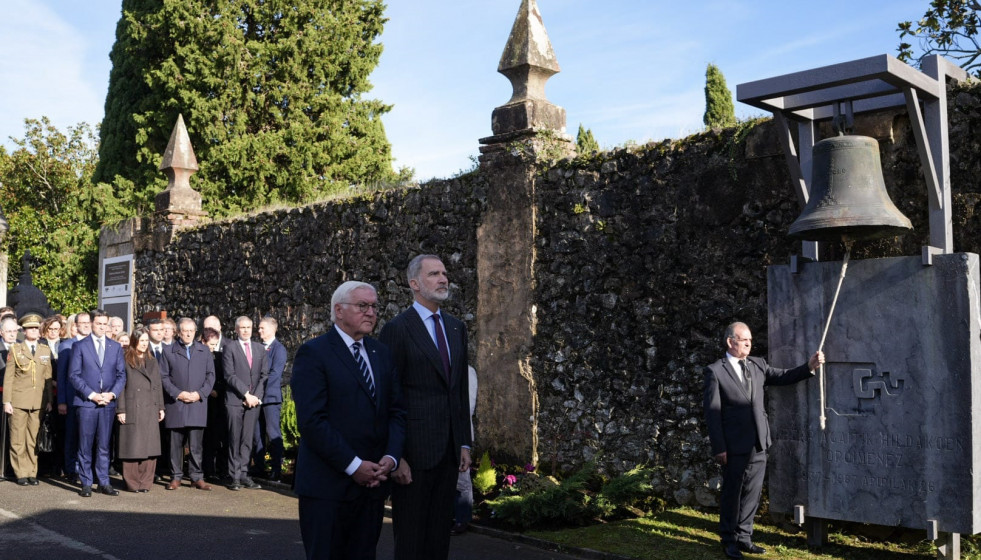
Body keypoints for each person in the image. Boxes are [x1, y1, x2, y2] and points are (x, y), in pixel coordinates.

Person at [292, 280, 406, 559]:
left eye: (374, 306)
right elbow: (312, 421)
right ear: (339, 310)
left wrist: (391, 457)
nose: (371, 312)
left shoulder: (381, 354)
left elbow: (396, 412)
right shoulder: (314, 353)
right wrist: (354, 465)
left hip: (372, 488)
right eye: (362, 305)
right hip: (327, 489)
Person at [703, 321, 824, 559]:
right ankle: (728, 540)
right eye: (744, 340)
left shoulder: (758, 364)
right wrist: (719, 447)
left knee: (753, 493)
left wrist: (809, 367)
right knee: (732, 494)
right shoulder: (715, 371)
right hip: (733, 445)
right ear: (730, 342)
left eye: (750, 340)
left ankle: (744, 537)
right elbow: (712, 413)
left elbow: (783, 376)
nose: (749, 343)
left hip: (759, 442)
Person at [379, 255, 472, 560]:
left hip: (449, 454)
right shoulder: (397, 329)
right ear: (415, 284)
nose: (443, 279)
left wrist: (464, 442)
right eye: (434, 274)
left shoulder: (456, 328)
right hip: (414, 455)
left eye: (444, 273)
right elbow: (387, 396)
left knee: (438, 540)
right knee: (410, 540)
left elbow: (458, 390)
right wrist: (396, 456)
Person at [69, 309, 126, 497]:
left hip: (107, 403)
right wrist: (92, 395)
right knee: (85, 445)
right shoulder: (80, 346)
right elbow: (74, 375)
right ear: (91, 324)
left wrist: (112, 394)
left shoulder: (115, 347)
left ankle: (104, 482)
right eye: (99, 323)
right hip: (87, 403)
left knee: (104, 445)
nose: (102, 327)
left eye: (104, 324)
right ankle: (86, 482)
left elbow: (121, 375)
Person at [159, 317, 216, 491]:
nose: (189, 334)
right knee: (175, 444)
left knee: (196, 445)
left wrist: (200, 394)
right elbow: (163, 377)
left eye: (191, 331)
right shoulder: (168, 351)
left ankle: (196, 477)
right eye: (185, 331)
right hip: (176, 403)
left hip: (198, 403)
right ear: (179, 332)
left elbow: (211, 376)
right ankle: (176, 476)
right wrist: (178, 393)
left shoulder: (204, 351)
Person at [2, 313, 54, 486]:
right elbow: (9, 378)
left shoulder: (44, 350)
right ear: (23, 331)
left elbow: (47, 378)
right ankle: (21, 473)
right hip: (18, 401)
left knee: (33, 439)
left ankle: (32, 472)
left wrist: (49, 400)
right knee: (17, 439)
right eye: (30, 328)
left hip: (38, 401)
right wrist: (7, 401)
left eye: (36, 328)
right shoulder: (15, 350)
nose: (34, 331)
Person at [222, 316, 268, 490]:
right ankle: (234, 476)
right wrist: (246, 394)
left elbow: (264, 375)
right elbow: (229, 375)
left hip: (254, 401)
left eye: (248, 327)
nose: (246, 330)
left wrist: (256, 397)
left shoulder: (259, 349)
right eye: (242, 327)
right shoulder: (230, 348)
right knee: (234, 438)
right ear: (236, 330)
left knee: (248, 439)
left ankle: (244, 474)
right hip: (235, 400)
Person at [116, 328, 165, 493]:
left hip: (150, 407)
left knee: (149, 447)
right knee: (131, 446)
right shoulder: (125, 359)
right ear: (134, 341)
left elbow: (157, 385)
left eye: (146, 341)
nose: (144, 344)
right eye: (141, 340)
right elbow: (120, 386)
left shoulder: (153, 361)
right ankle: (132, 483)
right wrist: (121, 409)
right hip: (132, 407)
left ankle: (145, 483)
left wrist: (161, 407)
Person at [58, 312, 91, 483]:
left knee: (87, 437)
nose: (86, 325)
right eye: (82, 323)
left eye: (88, 322)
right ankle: (72, 469)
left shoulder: (95, 344)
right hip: (72, 399)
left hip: (91, 399)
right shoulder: (67, 346)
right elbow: (62, 375)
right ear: (76, 325)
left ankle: (86, 469)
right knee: (72, 436)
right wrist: (62, 401)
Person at [253, 316, 287, 481]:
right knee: (257, 433)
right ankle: (259, 467)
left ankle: (276, 469)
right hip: (255, 398)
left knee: (272, 433)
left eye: (262, 328)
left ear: (272, 329)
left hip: (270, 398)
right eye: (259, 328)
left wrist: (259, 392)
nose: (259, 330)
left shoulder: (279, 349)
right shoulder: (257, 348)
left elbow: (274, 375)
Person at [452, 365, 478, 535]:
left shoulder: (467, 371)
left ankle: (462, 518)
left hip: (460, 434)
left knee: (462, 479)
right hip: (441, 434)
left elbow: (468, 406)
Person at [200, 327, 228, 482]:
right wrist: (208, 390)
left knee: (217, 437)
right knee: (206, 438)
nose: (213, 348)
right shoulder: (198, 356)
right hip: (204, 401)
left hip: (217, 403)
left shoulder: (219, 357)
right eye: (211, 345)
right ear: (203, 341)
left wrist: (218, 390)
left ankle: (219, 469)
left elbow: (225, 376)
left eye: (215, 345)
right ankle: (207, 469)